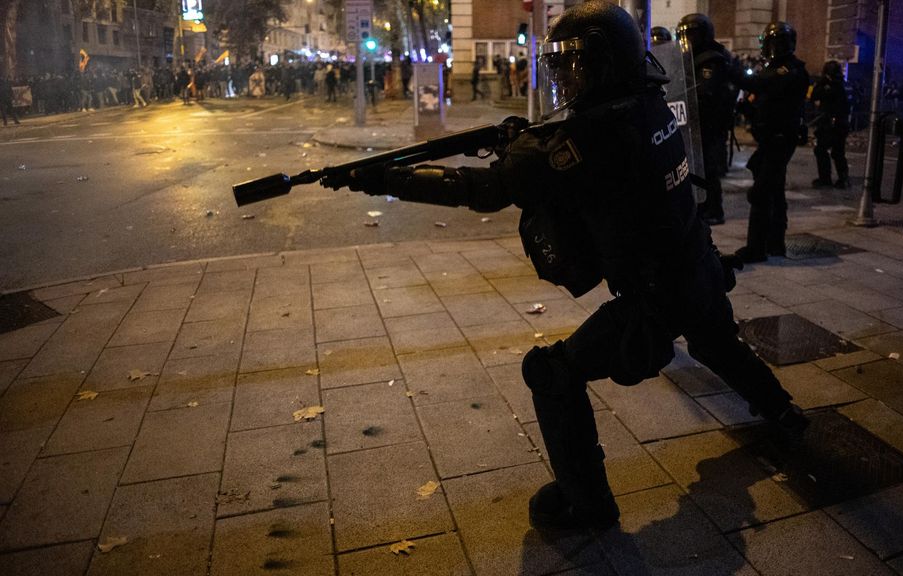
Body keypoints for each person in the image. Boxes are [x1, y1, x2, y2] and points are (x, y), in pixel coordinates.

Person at [346, 1, 808, 531]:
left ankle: (587, 506)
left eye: (575, 65)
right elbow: (594, 147)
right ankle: (784, 411)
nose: (564, 76)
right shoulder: (651, 103)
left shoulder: (591, 138)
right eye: (560, 65)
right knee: (715, 341)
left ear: (606, 64)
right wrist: (529, 139)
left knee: (551, 374)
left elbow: (486, 188)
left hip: (652, 295)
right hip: (695, 265)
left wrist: (388, 180)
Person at [728, 21, 809, 263]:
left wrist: (732, 69)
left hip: (780, 140)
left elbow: (761, 84)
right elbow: (767, 104)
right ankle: (774, 243)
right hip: (770, 140)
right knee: (773, 191)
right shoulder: (776, 69)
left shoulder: (789, 70)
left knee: (761, 193)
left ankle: (757, 248)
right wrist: (749, 110)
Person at [678, 13, 737, 225]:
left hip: (709, 124)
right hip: (693, 123)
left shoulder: (711, 58)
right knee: (694, 168)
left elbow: (706, 91)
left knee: (709, 169)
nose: (687, 40)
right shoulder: (687, 58)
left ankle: (714, 210)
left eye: (692, 34)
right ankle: (699, 206)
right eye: (684, 35)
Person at [810, 60, 850, 189]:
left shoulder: (833, 85)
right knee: (838, 152)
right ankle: (842, 179)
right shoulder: (841, 84)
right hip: (840, 123)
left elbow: (815, 95)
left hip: (831, 123)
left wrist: (823, 82)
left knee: (822, 150)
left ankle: (826, 179)